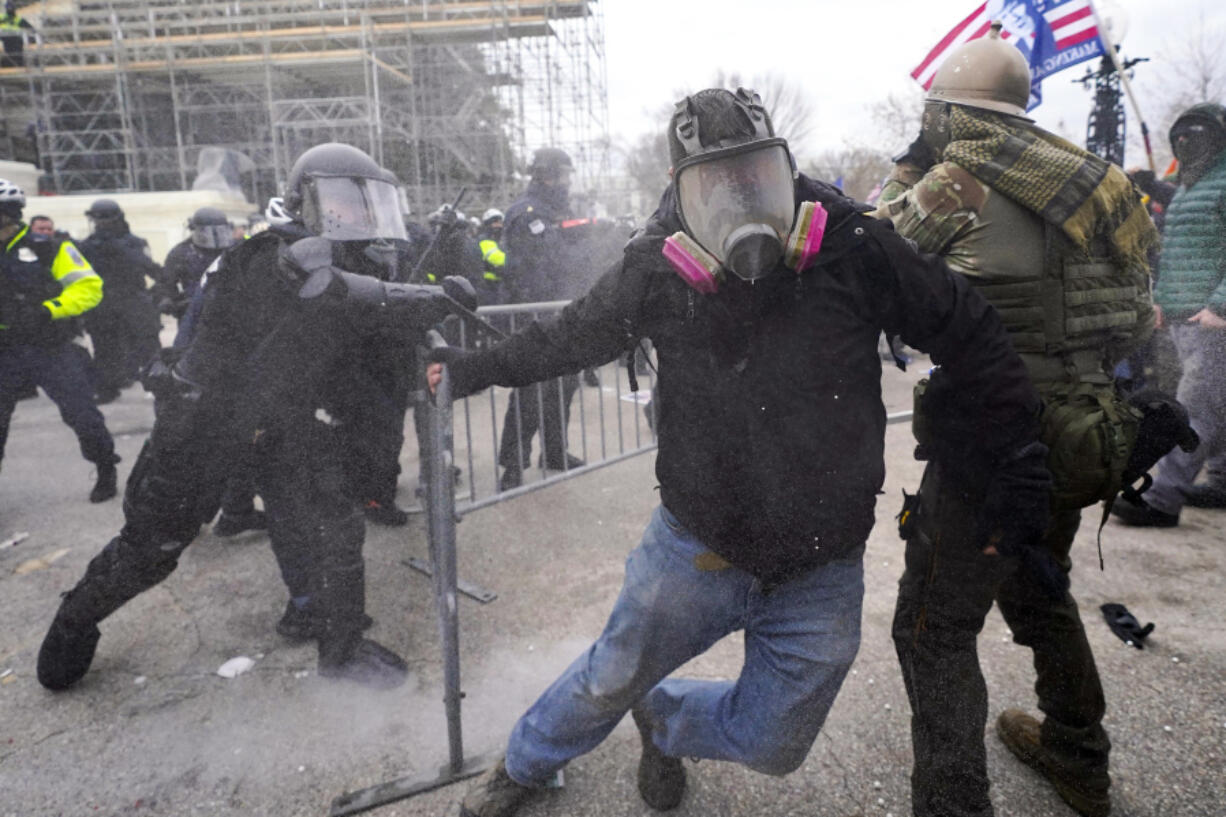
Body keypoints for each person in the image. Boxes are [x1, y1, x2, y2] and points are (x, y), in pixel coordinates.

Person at [427, 87, 1049, 817]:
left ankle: (665, 718)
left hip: (822, 564)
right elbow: (567, 338)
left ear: (782, 167)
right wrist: (467, 370)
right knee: (605, 677)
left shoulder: (853, 245)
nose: (741, 197)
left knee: (772, 743)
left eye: (755, 173)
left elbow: (969, 328)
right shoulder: (655, 267)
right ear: (679, 192)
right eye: (715, 182)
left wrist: (1021, 453)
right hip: (696, 545)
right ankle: (524, 766)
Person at [35, 143, 473, 692]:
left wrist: (434, 304)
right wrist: (418, 297)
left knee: (333, 524)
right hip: (205, 423)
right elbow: (334, 294)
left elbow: (361, 327)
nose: (358, 216)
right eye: (344, 201)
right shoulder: (271, 255)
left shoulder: (343, 257)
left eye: (367, 204)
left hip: (278, 419)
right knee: (153, 549)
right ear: (304, 200)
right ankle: (73, 623)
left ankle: (338, 648)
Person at [873, 25, 1157, 817]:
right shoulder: (1101, 183)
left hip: (993, 443)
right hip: (1087, 434)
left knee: (931, 627)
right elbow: (1139, 319)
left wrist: (906, 170)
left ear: (950, 113)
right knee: (1039, 588)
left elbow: (878, 257)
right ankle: (1077, 755)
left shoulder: (962, 177)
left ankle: (955, 805)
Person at [1112, 103, 1226, 525]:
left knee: (1195, 410)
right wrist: (1161, 297)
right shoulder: (1191, 187)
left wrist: (1220, 305)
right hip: (1184, 314)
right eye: (1181, 135)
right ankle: (1221, 483)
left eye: (1196, 134)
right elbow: (1175, 250)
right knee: (1219, 404)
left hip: (1212, 318)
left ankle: (1162, 499)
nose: (1185, 142)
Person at [0, 178, 120, 502]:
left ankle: (105, 465)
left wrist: (50, 309)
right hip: (4, 351)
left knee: (82, 413)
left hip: (49, 346)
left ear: (8, 213)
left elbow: (88, 288)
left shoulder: (50, 247)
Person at [494, 147, 587, 491]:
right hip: (534, 315)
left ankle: (555, 451)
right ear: (547, 175)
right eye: (563, 175)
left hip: (562, 312)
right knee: (530, 390)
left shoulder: (557, 210)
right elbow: (540, 266)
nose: (567, 182)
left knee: (564, 385)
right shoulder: (526, 212)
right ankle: (513, 463)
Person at [77, 198, 162, 404]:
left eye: (103, 220)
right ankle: (108, 387)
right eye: (97, 220)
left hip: (132, 298)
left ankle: (160, 384)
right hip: (103, 303)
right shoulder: (88, 245)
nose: (100, 224)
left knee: (148, 345)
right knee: (105, 347)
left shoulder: (134, 243)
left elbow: (150, 268)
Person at [154, 207, 236, 321]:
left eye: (219, 232)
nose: (214, 237)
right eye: (207, 232)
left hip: (231, 310)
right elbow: (166, 281)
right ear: (195, 229)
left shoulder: (235, 249)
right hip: (194, 312)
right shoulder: (182, 253)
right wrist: (167, 299)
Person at [476, 208, 507, 304]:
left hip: (500, 283)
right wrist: (514, 260)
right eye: (495, 222)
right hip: (488, 285)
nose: (498, 225)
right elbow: (495, 257)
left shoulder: (500, 240)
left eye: (500, 222)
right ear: (487, 224)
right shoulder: (484, 240)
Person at [0, 1, 35, 68]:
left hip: (13, 39)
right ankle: (17, 65)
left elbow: (32, 29)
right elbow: (32, 29)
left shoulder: (18, 19)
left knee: (16, 53)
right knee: (14, 53)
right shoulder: (2, 17)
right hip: (8, 38)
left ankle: (18, 65)